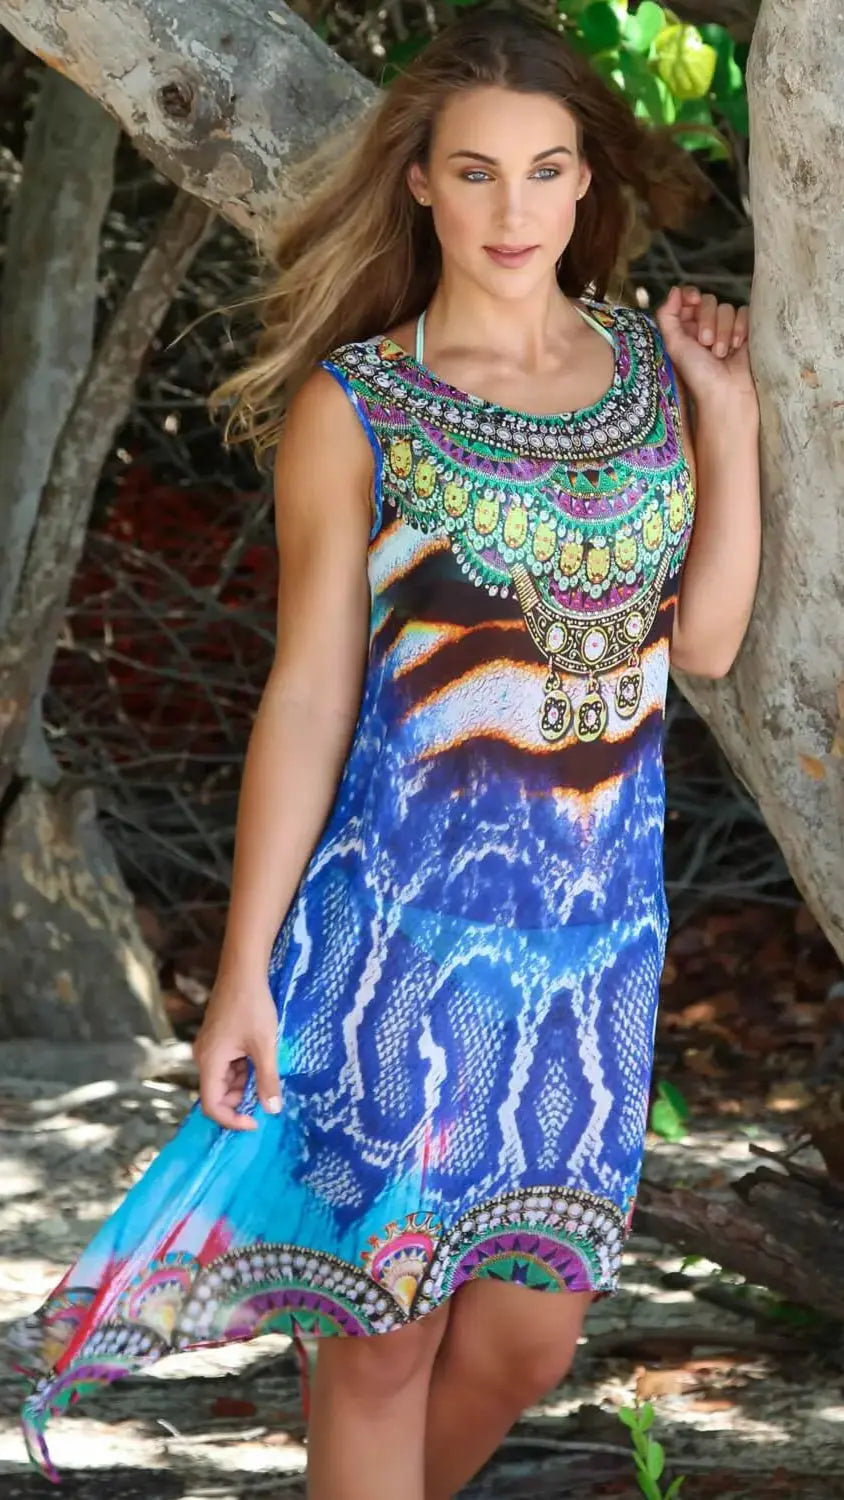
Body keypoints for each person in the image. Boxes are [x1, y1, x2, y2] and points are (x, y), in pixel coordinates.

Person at [8, 5, 761, 1497]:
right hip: (395, 947)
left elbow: (711, 648)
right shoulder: (358, 410)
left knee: (531, 1341)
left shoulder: (646, 369)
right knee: (382, 1343)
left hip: (597, 955)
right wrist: (238, 971)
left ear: (588, 184)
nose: (514, 209)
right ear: (417, 179)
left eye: (547, 171)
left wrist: (728, 425)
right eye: (475, 172)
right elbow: (304, 697)